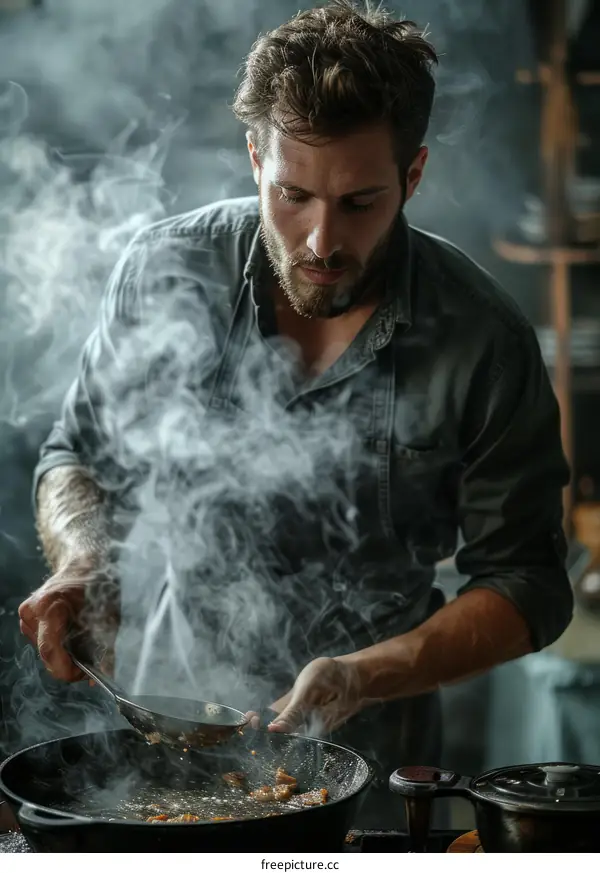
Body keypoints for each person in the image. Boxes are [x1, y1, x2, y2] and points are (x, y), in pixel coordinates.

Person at [19, 0, 572, 829]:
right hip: (174, 732)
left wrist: (362, 674)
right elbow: (77, 455)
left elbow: (529, 582)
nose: (319, 240)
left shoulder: (483, 339)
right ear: (254, 158)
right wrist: (84, 559)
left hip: (373, 764)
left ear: (412, 176)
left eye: (359, 202)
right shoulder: (167, 272)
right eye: (293, 194)